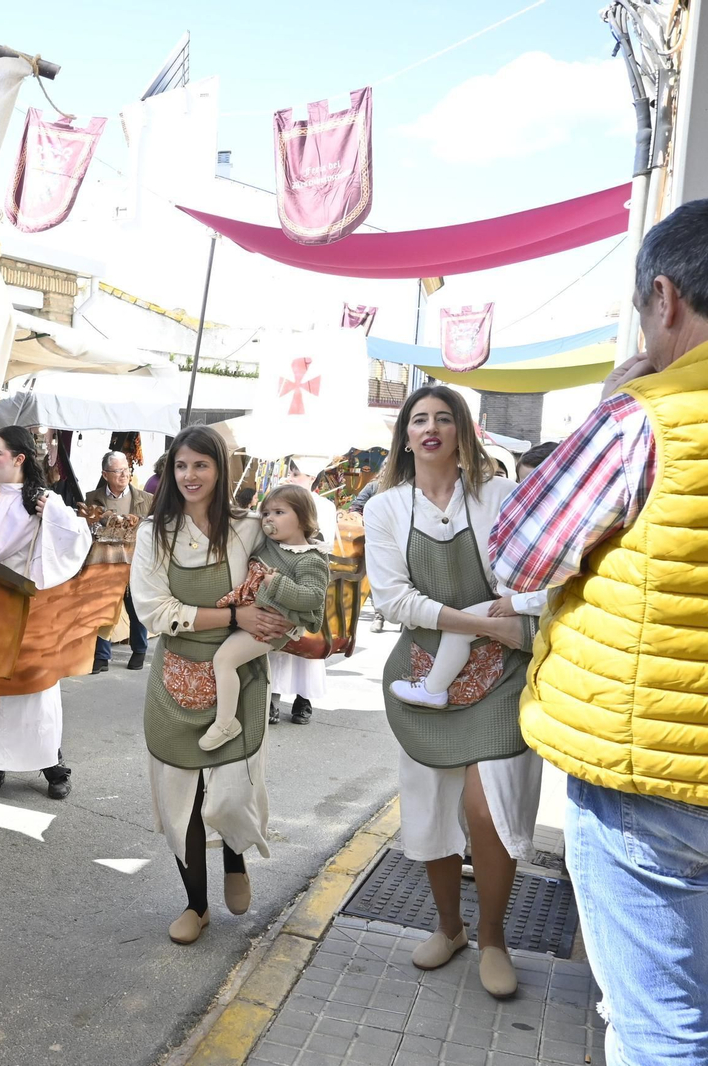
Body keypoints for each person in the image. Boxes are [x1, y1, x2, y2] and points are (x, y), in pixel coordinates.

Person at [489, 200, 708, 1066]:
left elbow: (519, 555)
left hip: (645, 778)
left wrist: (612, 404)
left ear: (664, 298)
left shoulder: (641, 419)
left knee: (662, 1033)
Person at [363, 385, 539, 999]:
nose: (431, 428)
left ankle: (494, 937)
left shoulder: (497, 495)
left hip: (501, 677)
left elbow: (528, 571)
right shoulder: (385, 508)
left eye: (444, 418)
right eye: (419, 420)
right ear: (405, 435)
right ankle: (449, 927)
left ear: (462, 430)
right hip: (424, 673)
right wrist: (486, 623)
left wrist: (507, 621)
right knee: (432, 806)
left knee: (487, 808)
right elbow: (393, 599)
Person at [131, 426, 289, 944]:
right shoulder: (153, 532)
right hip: (176, 677)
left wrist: (283, 616)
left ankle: (237, 856)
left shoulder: (249, 528)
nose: (190, 475)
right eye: (181, 466)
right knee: (181, 802)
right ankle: (195, 905)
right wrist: (232, 617)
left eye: (201, 464)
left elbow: (290, 569)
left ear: (220, 469)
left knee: (226, 795)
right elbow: (153, 610)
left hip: (238, 676)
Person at [0, 426, 93, 800]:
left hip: (30, 608)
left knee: (35, 691)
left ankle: (52, 762)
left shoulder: (44, 499)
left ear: (19, 459)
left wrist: (56, 516)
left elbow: (79, 538)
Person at [202, 484, 330, 750]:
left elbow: (313, 597)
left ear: (303, 517)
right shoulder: (269, 545)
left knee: (224, 660)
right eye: (266, 513)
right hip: (249, 613)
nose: (269, 519)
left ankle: (226, 723)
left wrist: (276, 582)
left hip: (271, 626)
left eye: (279, 512)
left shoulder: (310, 559)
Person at [267, 459, 339, 725]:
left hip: (308, 571)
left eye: (297, 474)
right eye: (291, 472)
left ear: (311, 477)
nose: (292, 477)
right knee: (277, 642)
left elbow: (325, 542)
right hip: (279, 571)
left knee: (308, 642)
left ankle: (303, 700)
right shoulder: (277, 497)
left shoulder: (324, 505)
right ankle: (271, 699)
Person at [85, 450, 153, 672]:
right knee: (104, 606)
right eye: (118, 471)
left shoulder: (146, 500)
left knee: (135, 608)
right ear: (105, 474)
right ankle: (101, 657)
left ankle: (139, 651)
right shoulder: (92, 498)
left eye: (126, 470)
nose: (124, 475)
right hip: (106, 561)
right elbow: (86, 529)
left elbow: (154, 530)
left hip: (136, 562)